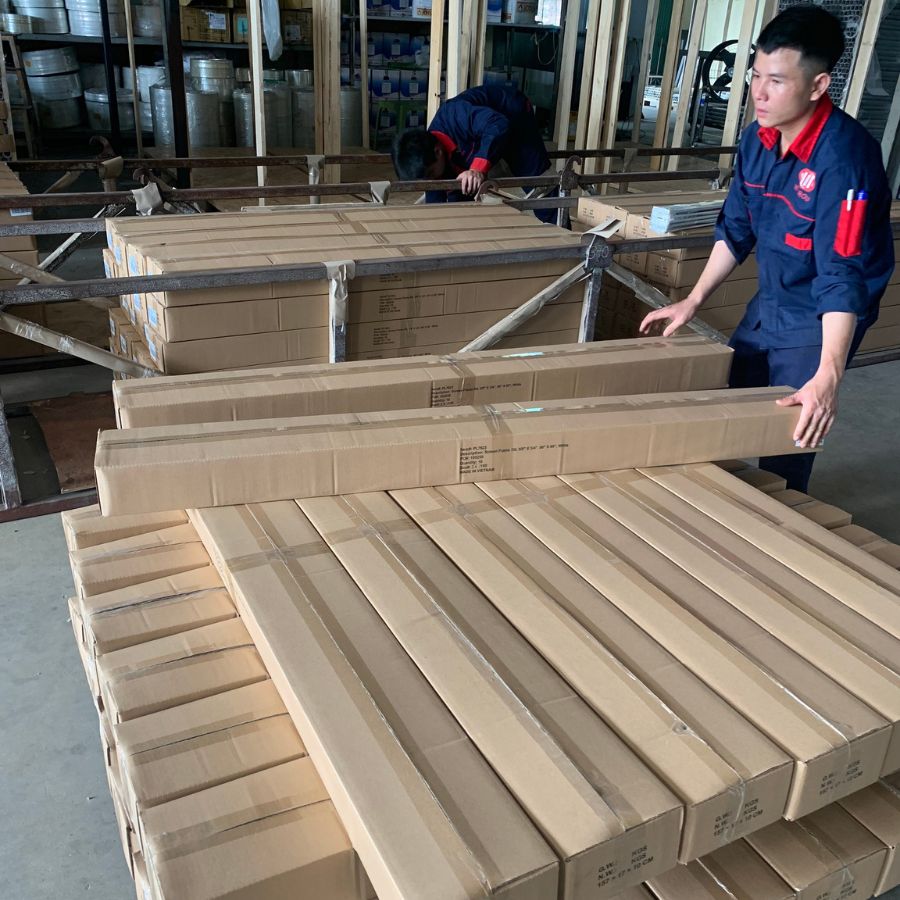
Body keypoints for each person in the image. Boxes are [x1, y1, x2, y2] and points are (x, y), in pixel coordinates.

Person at [639, 5, 895, 492]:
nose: (758, 92)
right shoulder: (757, 140)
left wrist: (829, 375)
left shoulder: (845, 161)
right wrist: (693, 300)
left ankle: (784, 508)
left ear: (818, 86)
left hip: (819, 318)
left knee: (789, 434)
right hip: (773, 299)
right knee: (736, 401)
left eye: (776, 81)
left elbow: (842, 275)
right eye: (755, 75)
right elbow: (736, 229)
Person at [391, 83, 557, 223]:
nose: (431, 180)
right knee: (460, 193)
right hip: (480, 136)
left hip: (512, 117)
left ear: (438, 152)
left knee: (541, 187)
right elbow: (436, 193)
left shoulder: (455, 115)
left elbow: (497, 125)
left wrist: (477, 169)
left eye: (431, 174)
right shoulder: (429, 157)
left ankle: (563, 235)